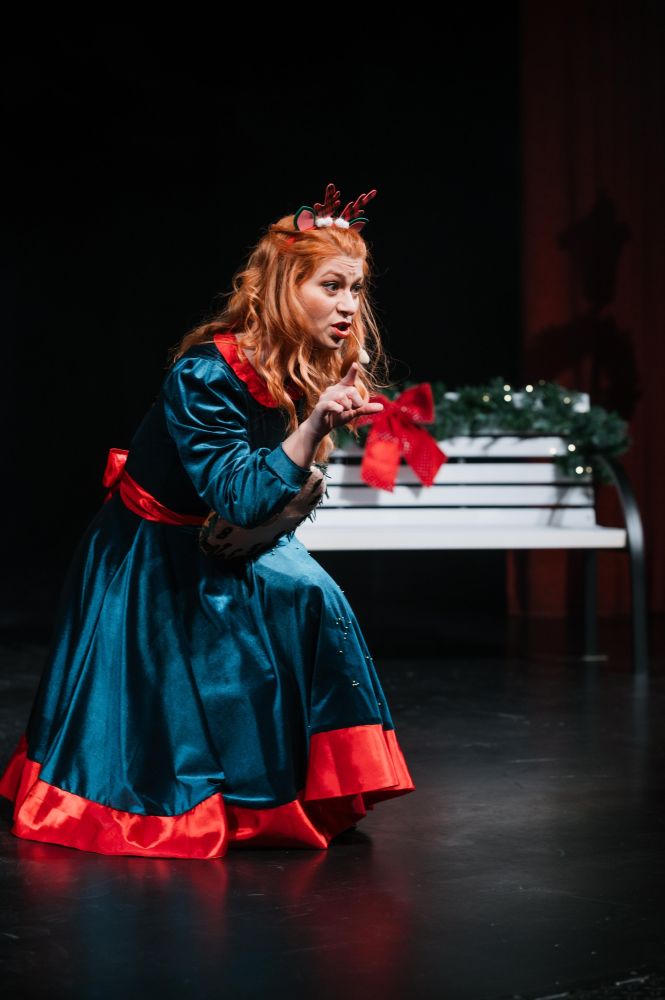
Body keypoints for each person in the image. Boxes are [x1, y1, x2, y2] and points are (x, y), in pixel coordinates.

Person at [0, 182, 416, 860]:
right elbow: (242, 496)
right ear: (284, 288)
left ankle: (289, 791)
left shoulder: (301, 364)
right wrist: (313, 426)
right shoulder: (205, 375)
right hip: (150, 551)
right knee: (171, 719)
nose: (348, 305)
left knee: (312, 596)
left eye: (356, 289)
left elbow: (261, 506)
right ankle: (196, 802)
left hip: (222, 535)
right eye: (331, 286)